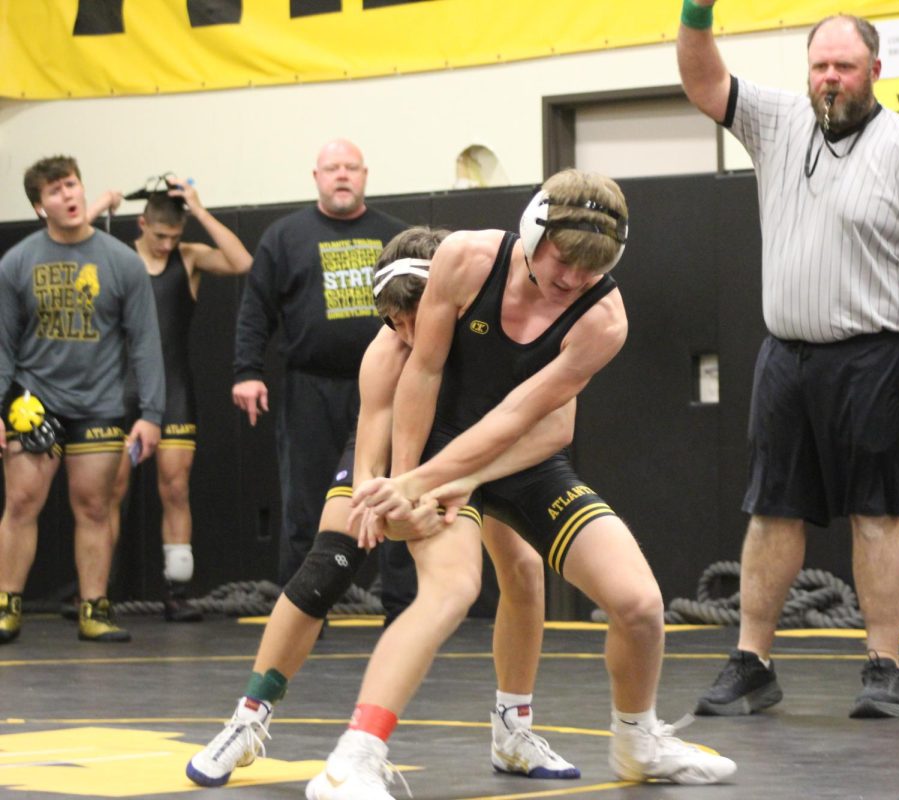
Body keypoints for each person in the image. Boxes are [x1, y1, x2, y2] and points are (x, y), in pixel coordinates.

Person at [305, 169, 737, 800]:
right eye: (562, 263)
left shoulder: (603, 320)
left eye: (589, 272)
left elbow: (531, 421)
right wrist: (409, 478)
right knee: (451, 590)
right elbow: (421, 369)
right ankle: (354, 757)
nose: (570, 282)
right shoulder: (467, 259)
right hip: (437, 440)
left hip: (518, 458)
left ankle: (634, 740)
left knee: (639, 604)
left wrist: (462, 476)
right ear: (534, 229)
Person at [186, 227, 580, 787]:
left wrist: (455, 481)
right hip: (407, 453)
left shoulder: (499, 333)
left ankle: (513, 729)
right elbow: (373, 446)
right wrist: (379, 498)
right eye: (394, 321)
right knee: (329, 563)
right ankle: (248, 717)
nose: (408, 333)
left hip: (477, 456)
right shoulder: (388, 351)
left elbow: (545, 425)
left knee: (523, 570)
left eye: (416, 318)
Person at [677, 7, 899, 719]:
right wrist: (695, 13)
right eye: (820, 66)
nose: (830, 78)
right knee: (771, 511)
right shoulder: (778, 123)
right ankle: (753, 661)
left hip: (875, 356)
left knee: (877, 512)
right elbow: (702, 79)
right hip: (787, 356)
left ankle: (883, 666)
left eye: (844, 66)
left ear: (875, 70)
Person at [231, 139, 415, 610]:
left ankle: (402, 606)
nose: (342, 175)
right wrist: (247, 371)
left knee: (396, 489)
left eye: (350, 167)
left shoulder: (394, 237)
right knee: (305, 501)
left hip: (391, 383)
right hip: (310, 387)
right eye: (332, 168)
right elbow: (255, 310)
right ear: (316, 177)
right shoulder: (284, 236)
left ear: (365, 175)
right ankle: (305, 609)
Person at [0, 155, 165, 644]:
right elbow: (3, 345)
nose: (68, 196)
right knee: (21, 501)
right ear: (39, 205)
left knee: (94, 507)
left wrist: (152, 414)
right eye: (54, 191)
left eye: (71, 185)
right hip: (34, 400)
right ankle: (7, 604)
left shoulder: (121, 262)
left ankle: (94, 607)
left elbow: (146, 343)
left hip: (99, 404)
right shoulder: (17, 262)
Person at [87, 180, 253, 621]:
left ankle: (176, 590)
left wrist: (199, 210)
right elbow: (63, 245)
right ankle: (95, 593)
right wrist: (99, 204)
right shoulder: (115, 257)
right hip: (120, 392)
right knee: (111, 491)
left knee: (176, 488)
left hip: (174, 390)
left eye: (174, 237)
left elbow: (242, 261)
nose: (166, 245)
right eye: (159, 236)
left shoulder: (188, 258)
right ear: (142, 224)